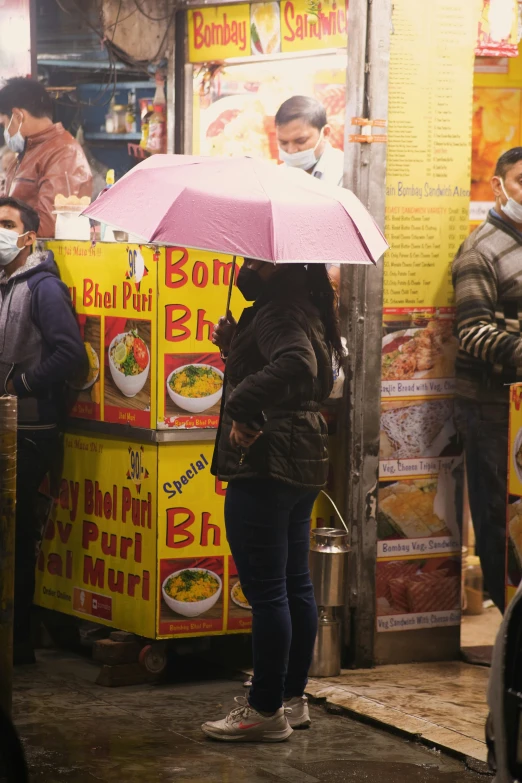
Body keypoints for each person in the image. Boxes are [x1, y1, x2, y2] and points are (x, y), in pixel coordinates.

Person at [202, 259, 341, 742]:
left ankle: (263, 711)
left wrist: (242, 403)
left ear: (275, 263)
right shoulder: (303, 300)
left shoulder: (277, 308)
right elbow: (297, 369)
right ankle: (291, 698)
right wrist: (233, 344)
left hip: (267, 459)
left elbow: (296, 362)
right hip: (300, 454)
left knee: (268, 593)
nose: (245, 264)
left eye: (254, 258)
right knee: (292, 582)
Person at [0, 196, 86, 663]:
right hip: (6, 426)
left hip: (33, 430)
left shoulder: (42, 287)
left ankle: (19, 648)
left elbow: (71, 353)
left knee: (15, 534)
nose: (0, 230)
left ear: (28, 237)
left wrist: (22, 381)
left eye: (7, 224)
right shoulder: (4, 283)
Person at [452, 146, 522, 614]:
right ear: (498, 186)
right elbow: (474, 332)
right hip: (492, 408)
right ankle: (512, 637)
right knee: (499, 520)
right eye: (521, 180)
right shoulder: (481, 250)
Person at [0, 77, 92, 238]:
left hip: (42, 259)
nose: (4, 131)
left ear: (18, 116)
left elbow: (49, 227)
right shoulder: (27, 152)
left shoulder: (63, 153)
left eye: (4, 123)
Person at [275, 95, 343, 289]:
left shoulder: (343, 175)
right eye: (283, 143)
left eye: (300, 141)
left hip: (328, 292)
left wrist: (323, 296)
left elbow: (344, 256)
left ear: (326, 132)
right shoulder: (279, 176)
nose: (292, 150)